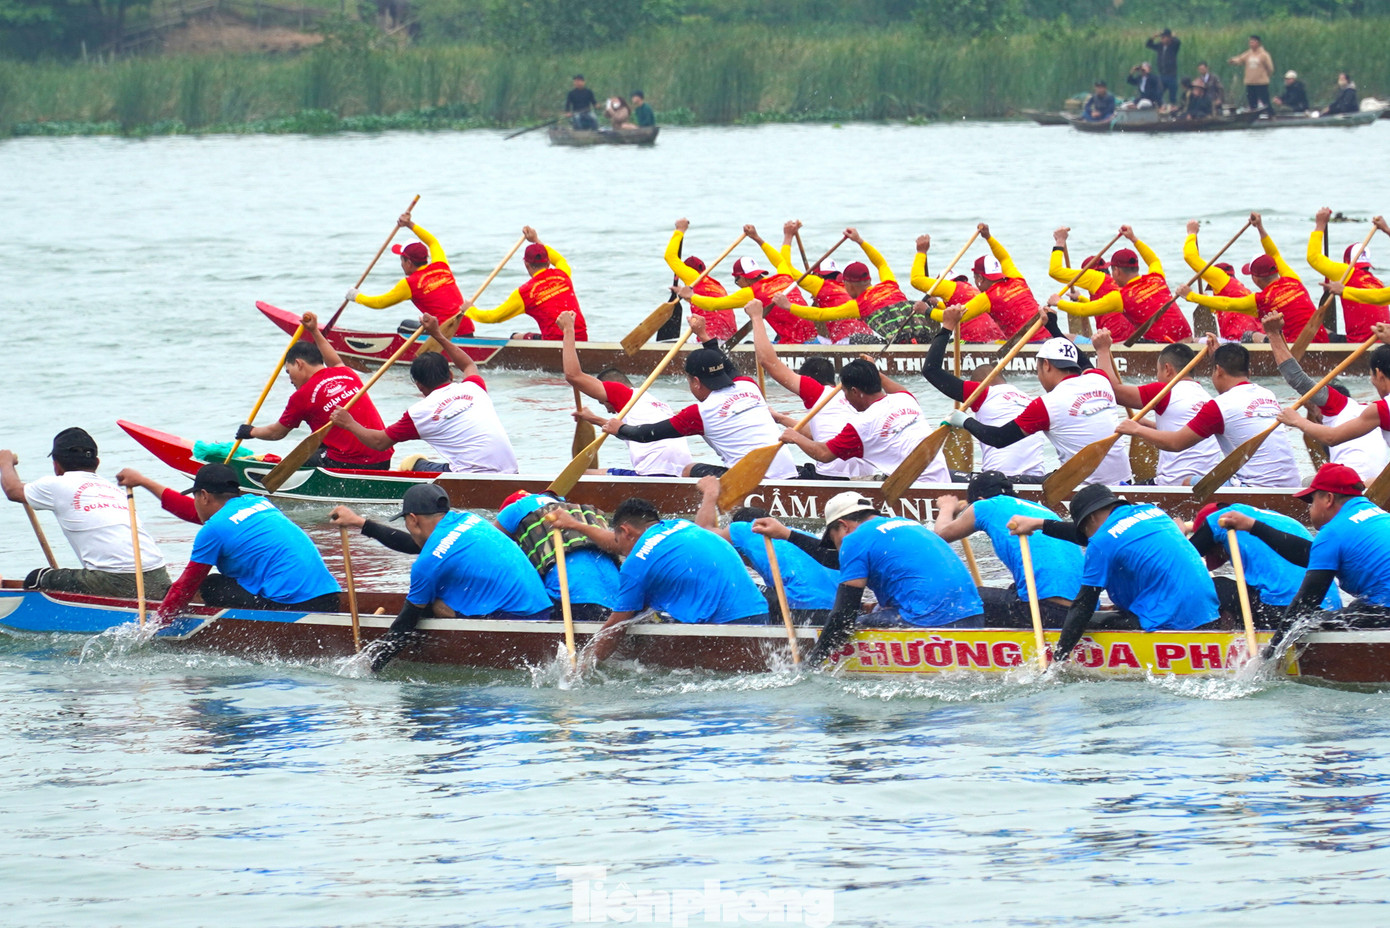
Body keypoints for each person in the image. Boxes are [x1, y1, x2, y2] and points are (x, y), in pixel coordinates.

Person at [760, 492, 985, 662]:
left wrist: (813, 663)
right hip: (973, 617)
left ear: (843, 526)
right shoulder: (909, 524)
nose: (840, 548)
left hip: (932, 624)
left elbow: (844, 616)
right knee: (874, 610)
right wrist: (786, 534)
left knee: (846, 626)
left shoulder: (855, 539)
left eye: (834, 540)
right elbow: (837, 560)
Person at [1008, 484, 1220, 663]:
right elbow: (1097, 537)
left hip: (1171, 618)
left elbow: (1083, 606)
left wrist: (1058, 660)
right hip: (1207, 610)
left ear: (1091, 518)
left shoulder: (1102, 542)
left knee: (1084, 620)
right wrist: (1039, 524)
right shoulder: (1152, 513)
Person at [362, 484, 553, 672]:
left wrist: (373, 665)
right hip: (543, 610)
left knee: (431, 604)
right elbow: (424, 548)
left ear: (412, 519)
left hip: (519, 623)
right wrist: (363, 525)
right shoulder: (470, 519)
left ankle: (431, 654)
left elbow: (404, 625)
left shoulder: (428, 563)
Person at [595, 315, 797, 479]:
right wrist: (703, 334)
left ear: (696, 382)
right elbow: (725, 364)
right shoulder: (748, 385)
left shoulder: (700, 413)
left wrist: (619, 429)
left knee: (688, 470)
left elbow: (648, 434)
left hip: (749, 481)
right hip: (788, 473)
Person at [947, 310, 1133, 487]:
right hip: (1125, 482)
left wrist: (965, 421)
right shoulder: (1100, 380)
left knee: (951, 476)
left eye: (1038, 370)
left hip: (1083, 489)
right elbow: (1083, 360)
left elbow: (998, 438)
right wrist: (1052, 326)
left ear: (1046, 365)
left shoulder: (1047, 404)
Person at [329, 313, 518, 474]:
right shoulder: (474, 388)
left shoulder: (418, 413)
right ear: (451, 374)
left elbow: (379, 443)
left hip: (469, 478)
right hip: (512, 472)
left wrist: (349, 423)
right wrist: (437, 334)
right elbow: (468, 364)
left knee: (411, 463)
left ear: (419, 386)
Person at [587, 498, 771, 662]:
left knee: (643, 654)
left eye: (618, 541)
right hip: (760, 615)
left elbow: (615, 628)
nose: (622, 551)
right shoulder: (682, 524)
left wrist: (583, 665)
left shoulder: (636, 564)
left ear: (625, 531)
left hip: (729, 629)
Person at [155, 464, 340, 620]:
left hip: (293, 606)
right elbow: (200, 516)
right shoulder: (260, 503)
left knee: (210, 585)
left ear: (204, 496)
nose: (194, 504)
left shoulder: (214, 529)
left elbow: (186, 587)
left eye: (194, 497)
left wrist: (155, 624)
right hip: (331, 598)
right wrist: (145, 482)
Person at [0, 429, 169, 598]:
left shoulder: (56, 485)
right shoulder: (113, 489)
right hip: (159, 577)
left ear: (56, 465)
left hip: (117, 580)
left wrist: (5, 461)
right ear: (97, 462)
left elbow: (13, 490)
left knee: (35, 579)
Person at [1221, 463, 1390, 628]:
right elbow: (1309, 554)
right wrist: (1253, 526)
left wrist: (1273, 645)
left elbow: (1304, 605)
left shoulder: (1333, 532)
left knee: (1310, 621)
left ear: (1329, 499)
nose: (1309, 509)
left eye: (1312, 502)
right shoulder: (1379, 516)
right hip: (1381, 605)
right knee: (1352, 611)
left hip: (1385, 609)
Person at [1117, 336, 1301, 488]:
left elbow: (1175, 443)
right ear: (1249, 372)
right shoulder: (1267, 395)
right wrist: (1218, 359)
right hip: (1292, 484)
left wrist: (1136, 429)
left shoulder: (1219, 406)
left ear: (1218, 370)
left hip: (1254, 489)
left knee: (1188, 483)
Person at [236, 311, 393, 470]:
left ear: (299, 364)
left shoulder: (301, 396)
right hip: (383, 456)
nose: (290, 380)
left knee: (301, 460)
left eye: (289, 372)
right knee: (319, 442)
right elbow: (335, 361)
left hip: (354, 463)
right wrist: (314, 330)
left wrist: (250, 431)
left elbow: (276, 433)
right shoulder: (346, 372)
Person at [933, 472, 1082, 627]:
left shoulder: (984, 506)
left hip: (1044, 611)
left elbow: (939, 536)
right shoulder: (1042, 510)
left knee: (955, 596)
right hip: (1081, 611)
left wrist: (946, 508)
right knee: (1011, 590)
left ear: (979, 499)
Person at [746, 300, 876, 480]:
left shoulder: (816, 391)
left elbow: (768, 362)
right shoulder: (851, 396)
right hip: (866, 475)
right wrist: (779, 418)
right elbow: (818, 433)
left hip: (832, 477)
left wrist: (756, 318)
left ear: (808, 379)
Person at [921, 305, 1047, 481]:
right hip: (1036, 480)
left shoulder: (983, 393)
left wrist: (947, 326)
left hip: (1000, 481)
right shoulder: (1031, 400)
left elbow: (931, 370)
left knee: (932, 473)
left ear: (978, 384)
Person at [777, 358, 949, 485]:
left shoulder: (862, 425)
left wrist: (795, 438)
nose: (845, 398)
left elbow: (824, 454)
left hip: (910, 488)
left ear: (855, 391)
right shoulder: (905, 398)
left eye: (845, 392)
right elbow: (891, 385)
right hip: (942, 479)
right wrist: (871, 369)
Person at [562, 311, 693, 477]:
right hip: (682, 474)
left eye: (603, 402)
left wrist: (568, 329)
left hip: (653, 474)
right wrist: (593, 419)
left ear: (614, 386)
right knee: (591, 473)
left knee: (582, 476)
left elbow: (573, 375)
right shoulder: (653, 403)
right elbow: (630, 432)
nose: (608, 410)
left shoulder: (623, 393)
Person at [693, 476, 839, 624]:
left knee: (725, 586)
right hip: (836, 610)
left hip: (801, 608)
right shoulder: (800, 535)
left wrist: (710, 493)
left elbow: (701, 536)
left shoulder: (748, 529)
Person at [1261, 313, 1387, 482]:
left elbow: (1297, 379)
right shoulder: (1375, 411)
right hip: (1381, 487)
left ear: (1379, 374)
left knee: (1307, 482)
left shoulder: (1343, 406)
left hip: (1353, 488)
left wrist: (1273, 335)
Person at [1092, 331, 1222, 486]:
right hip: (1206, 483)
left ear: (1167, 369)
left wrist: (1102, 350)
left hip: (1174, 484)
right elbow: (1184, 430)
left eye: (1157, 371)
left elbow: (1113, 391)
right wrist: (1151, 425)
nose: (1157, 377)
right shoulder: (1207, 397)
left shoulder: (1164, 391)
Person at [1181, 212, 1328, 345]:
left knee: (1192, 342)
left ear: (1255, 279)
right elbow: (1275, 255)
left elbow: (1226, 302)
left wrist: (1191, 296)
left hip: (1291, 349)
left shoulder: (1260, 300)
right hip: (1322, 341)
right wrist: (1260, 228)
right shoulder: (1293, 279)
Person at [1188, 502, 1340, 626]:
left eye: (1218, 554)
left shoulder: (1222, 519)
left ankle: (1220, 635)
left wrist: (1180, 535)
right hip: (1329, 610)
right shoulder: (1282, 520)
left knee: (1213, 585)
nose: (1225, 557)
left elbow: (1184, 564)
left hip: (1284, 612)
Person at [678, 224, 817, 345]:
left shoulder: (752, 292)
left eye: (736, 280)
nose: (738, 284)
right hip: (814, 338)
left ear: (743, 278)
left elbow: (714, 305)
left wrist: (691, 296)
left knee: (754, 345)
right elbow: (780, 261)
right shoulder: (785, 277)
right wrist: (757, 238)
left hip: (795, 343)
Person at [1049, 225, 1191, 343]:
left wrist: (1058, 302)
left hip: (1161, 346)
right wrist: (1134, 239)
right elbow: (1154, 261)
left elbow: (1082, 309)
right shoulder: (1156, 278)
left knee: (1061, 339)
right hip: (1187, 337)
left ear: (1116, 271)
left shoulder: (1119, 296)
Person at [781, 225, 920, 345]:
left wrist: (788, 306)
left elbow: (820, 314)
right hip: (908, 335)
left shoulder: (857, 304)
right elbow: (881, 264)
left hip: (851, 341)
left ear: (850, 285)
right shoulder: (889, 285)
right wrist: (860, 241)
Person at [496, 491, 620, 622]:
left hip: (572, 599)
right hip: (618, 602)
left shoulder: (516, 508)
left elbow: (490, 545)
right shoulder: (574, 513)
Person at [346, 209, 474, 335]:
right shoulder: (441, 265)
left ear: (409, 262)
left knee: (405, 326)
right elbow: (433, 242)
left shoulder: (410, 283)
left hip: (447, 335)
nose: (401, 264)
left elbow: (380, 303)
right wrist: (409, 224)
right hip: (467, 329)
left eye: (401, 259)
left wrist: (356, 296)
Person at [1276, 336, 1390, 461]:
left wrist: (1297, 420)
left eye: (1371, 376)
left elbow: (1297, 379)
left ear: (1378, 374)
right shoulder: (1370, 411)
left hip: (1353, 473)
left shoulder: (1377, 410)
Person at [758, 221, 875, 343]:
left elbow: (786, 267)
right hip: (867, 337)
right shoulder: (848, 289)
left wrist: (788, 237)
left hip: (846, 341)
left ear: (817, 275)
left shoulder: (822, 285)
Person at [466, 226, 587, 341]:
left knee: (515, 337)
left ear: (526, 264)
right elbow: (559, 259)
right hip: (582, 339)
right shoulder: (563, 274)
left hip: (554, 344)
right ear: (548, 262)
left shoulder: (525, 293)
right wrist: (536, 240)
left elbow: (493, 317)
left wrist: (470, 310)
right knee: (524, 336)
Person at [934, 223, 1046, 343]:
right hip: (1048, 336)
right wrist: (988, 237)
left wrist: (927, 311)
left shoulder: (988, 298)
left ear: (980, 278)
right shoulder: (1017, 279)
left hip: (1028, 344)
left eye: (975, 278)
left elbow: (955, 316)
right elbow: (1004, 258)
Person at [911, 234, 1005, 343]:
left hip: (975, 341)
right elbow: (960, 310)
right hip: (996, 339)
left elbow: (916, 280)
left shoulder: (950, 287)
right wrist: (937, 304)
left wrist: (921, 252)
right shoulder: (971, 289)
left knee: (938, 343)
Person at [1310, 210, 1388, 342]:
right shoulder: (1378, 282)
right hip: (1384, 339)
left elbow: (1313, 258)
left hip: (1359, 343)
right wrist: (1386, 230)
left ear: (1347, 261)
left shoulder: (1346, 271)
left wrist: (1320, 225)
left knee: (1314, 329)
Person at [1045, 228, 1133, 340]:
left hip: (1113, 342)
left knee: (1059, 338)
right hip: (1129, 339)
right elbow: (1098, 307)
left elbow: (1055, 271)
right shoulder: (1118, 283)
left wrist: (1060, 241)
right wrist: (1080, 298)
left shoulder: (1094, 277)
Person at [1181, 220, 1262, 341]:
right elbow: (1225, 305)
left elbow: (1190, 257)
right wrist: (1206, 301)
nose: (1213, 291)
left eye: (1212, 286)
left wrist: (1191, 233)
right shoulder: (1243, 291)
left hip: (1239, 341)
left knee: (1191, 341)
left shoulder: (1221, 279)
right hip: (1255, 339)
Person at [662, 218, 737, 340]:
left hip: (711, 337)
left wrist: (680, 230)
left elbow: (669, 256)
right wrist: (683, 293)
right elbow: (703, 302)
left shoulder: (693, 277)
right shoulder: (715, 285)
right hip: (730, 337)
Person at [1229, 35, 1274, 110]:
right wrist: (1233, 61)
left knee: (1265, 101)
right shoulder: (1248, 53)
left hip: (1261, 83)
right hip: (1250, 82)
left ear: (1258, 43)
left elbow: (1270, 68)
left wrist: (1265, 76)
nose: (1250, 44)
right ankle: (1253, 115)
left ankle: (1271, 114)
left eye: (1252, 42)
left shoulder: (1264, 55)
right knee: (1252, 102)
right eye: (1250, 42)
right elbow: (1240, 59)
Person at [1146, 29, 1182, 105]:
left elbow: (1178, 42)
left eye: (1164, 37)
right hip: (1162, 75)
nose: (1162, 39)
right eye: (1162, 38)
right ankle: (1160, 106)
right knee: (1159, 93)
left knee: (1172, 95)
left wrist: (1173, 36)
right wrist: (1154, 36)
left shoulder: (1173, 46)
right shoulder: (1160, 46)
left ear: (1169, 38)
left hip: (1171, 75)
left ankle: (1172, 106)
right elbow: (1148, 45)